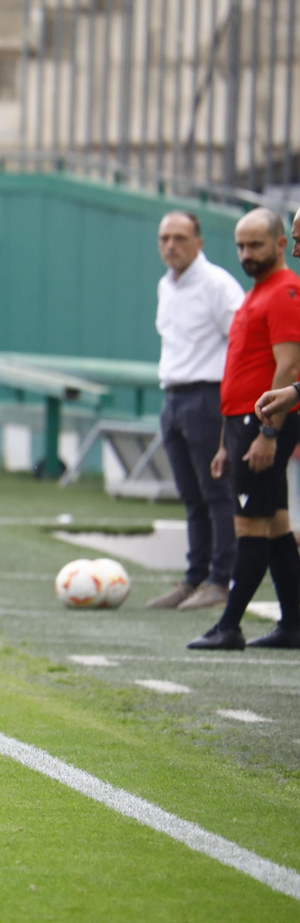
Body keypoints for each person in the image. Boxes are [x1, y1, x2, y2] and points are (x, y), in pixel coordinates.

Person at [187, 208, 300, 651]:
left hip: (261, 423)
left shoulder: (286, 291)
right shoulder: (257, 293)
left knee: (251, 525)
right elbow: (240, 372)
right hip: (242, 422)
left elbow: (288, 364)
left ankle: (229, 625)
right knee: (273, 526)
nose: (246, 253)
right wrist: (223, 442)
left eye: (256, 244)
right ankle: (293, 624)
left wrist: (267, 434)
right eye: (240, 245)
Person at [148, 210, 245, 612]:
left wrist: (230, 407)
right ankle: (193, 577)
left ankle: (220, 580)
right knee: (190, 495)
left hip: (208, 396)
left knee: (217, 492)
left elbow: (241, 343)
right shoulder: (165, 286)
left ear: (199, 242)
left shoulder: (217, 284)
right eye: (165, 238)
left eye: (180, 238)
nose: (171, 245)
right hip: (173, 395)